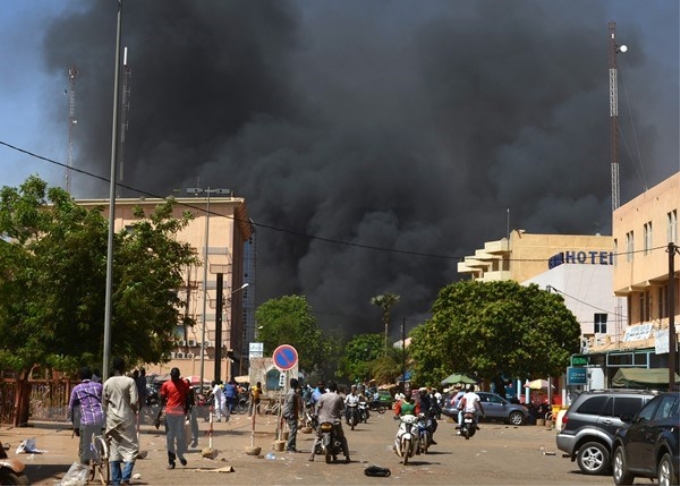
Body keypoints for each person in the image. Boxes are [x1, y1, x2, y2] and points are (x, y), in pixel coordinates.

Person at [102, 357, 139, 486]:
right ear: (123, 368)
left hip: (112, 419)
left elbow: (104, 403)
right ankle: (125, 477)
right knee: (132, 448)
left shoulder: (107, 383)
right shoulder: (130, 381)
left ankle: (116, 481)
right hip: (126, 419)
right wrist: (134, 411)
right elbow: (134, 402)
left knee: (114, 450)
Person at [68, 366, 105, 466]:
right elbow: (105, 400)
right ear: (91, 376)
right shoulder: (99, 386)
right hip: (100, 419)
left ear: (80, 377)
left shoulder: (76, 389)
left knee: (84, 448)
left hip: (86, 421)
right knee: (99, 436)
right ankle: (99, 454)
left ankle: (85, 472)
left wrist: (73, 423)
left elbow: (71, 408)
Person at [309, 381, 350, 463]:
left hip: (322, 421)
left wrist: (316, 415)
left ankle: (312, 455)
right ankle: (347, 456)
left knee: (317, 437)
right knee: (342, 438)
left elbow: (317, 408)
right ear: (335, 388)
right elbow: (342, 408)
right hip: (335, 421)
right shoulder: (338, 397)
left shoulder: (323, 396)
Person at [160, 368, 190, 469]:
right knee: (170, 438)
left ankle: (180, 454)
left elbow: (188, 397)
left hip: (180, 414)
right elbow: (162, 400)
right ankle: (171, 461)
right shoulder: (166, 385)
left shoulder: (184, 384)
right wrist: (157, 415)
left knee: (181, 436)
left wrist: (188, 410)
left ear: (179, 376)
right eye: (173, 377)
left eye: (176, 377)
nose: (174, 379)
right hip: (169, 414)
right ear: (171, 376)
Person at [283, 378, 302, 453]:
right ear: (296, 385)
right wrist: (292, 415)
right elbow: (291, 405)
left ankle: (292, 446)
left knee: (293, 430)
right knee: (293, 431)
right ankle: (290, 447)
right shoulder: (292, 393)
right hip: (290, 414)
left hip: (289, 414)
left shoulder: (291, 392)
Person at [185, 378, 199, 448]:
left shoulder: (190, 390)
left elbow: (193, 400)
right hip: (183, 409)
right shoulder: (182, 389)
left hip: (190, 408)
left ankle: (195, 439)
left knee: (192, 422)